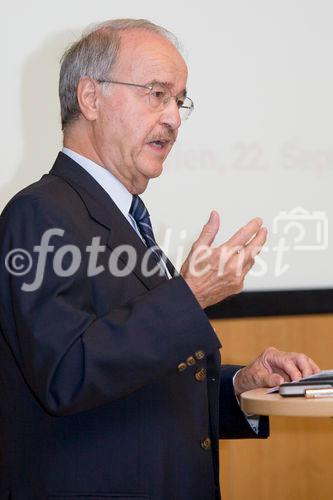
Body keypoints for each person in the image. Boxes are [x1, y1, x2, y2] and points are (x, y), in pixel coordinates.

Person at [0, 19, 320, 500]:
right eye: (156, 93)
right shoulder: (39, 212)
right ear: (90, 98)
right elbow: (67, 373)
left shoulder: (124, 216)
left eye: (179, 100)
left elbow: (143, 381)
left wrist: (239, 386)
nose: (172, 117)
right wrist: (189, 296)